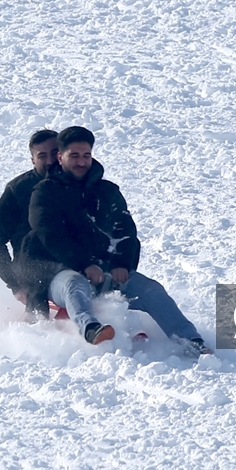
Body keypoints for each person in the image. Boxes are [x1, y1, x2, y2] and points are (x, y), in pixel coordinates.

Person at [20, 126, 211, 354]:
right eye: (74, 156)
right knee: (75, 285)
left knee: (151, 289)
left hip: (105, 271)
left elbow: (126, 229)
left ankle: (191, 340)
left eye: (86, 155)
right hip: (59, 273)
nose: (81, 162)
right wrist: (83, 264)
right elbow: (49, 233)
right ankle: (91, 328)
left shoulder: (107, 191)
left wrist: (123, 263)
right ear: (60, 157)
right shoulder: (44, 193)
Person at [0, 129, 59, 314]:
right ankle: (36, 329)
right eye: (42, 155)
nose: (50, 161)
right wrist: (15, 284)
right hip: (32, 269)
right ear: (33, 160)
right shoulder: (18, 190)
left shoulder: (77, 184)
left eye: (54, 153)